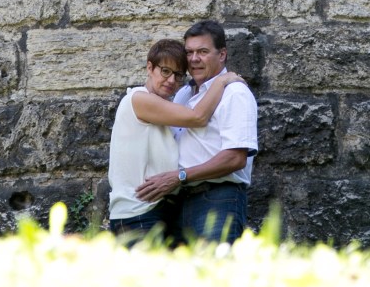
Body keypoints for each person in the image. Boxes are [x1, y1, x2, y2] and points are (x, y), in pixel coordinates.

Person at [108, 37, 244, 244]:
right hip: (138, 213)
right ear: (150, 68)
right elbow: (198, 117)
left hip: (155, 210)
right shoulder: (139, 99)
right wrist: (222, 81)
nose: (171, 80)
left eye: (178, 75)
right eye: (165, 71)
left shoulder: (166, 106)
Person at [136, 21, 258, 243]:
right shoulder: (184, 93)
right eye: (189, 52)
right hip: (178, 202)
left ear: (222, 55)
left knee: (215, 264)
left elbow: (235, 158)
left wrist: (180, 176)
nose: (193, 59)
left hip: (218, 199)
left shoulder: (235, 93)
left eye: (202, 52)